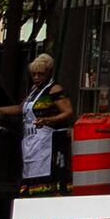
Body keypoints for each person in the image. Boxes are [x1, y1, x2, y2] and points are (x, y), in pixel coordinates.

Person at [15, 50, 73, 197]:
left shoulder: (54, 89)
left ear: (48, 73)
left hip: (50, 141)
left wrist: (48, 120)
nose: (36, 77)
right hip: (32, 141)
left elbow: (68, 111)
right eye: (33, 74)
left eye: (40, 74)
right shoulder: (33, 90)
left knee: (49, 178)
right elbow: (20, 108)